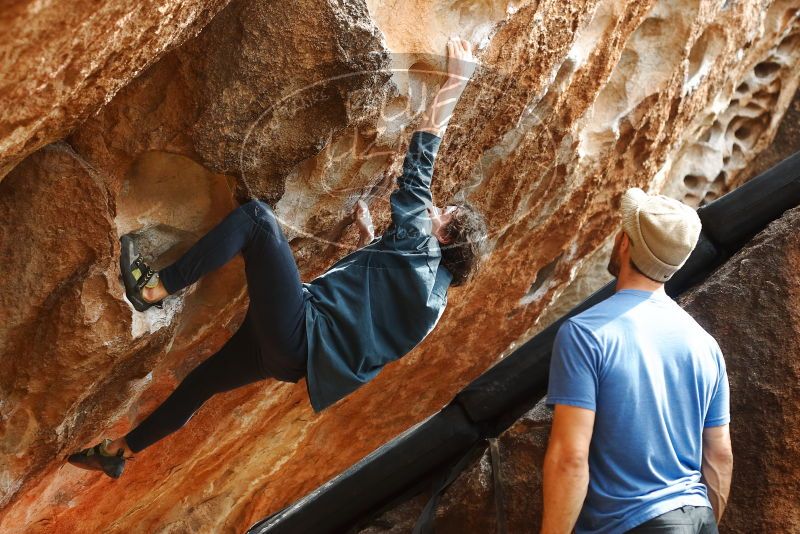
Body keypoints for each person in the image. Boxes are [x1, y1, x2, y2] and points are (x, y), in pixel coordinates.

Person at [68, 38, 488, 479]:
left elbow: (421, 164)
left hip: (299, 327)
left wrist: (455, 82)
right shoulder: (432, 302)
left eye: (443, 215)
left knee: (256, 220)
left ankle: (154, 287)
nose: (435, 210)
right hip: (292, 359)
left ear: (445, 238)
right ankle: (119, 452)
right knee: (202, 383)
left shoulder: (422, 251)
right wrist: (367, 236)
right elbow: (371, 316)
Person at [541, 188, 733, 533]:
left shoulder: (586, 334)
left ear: (625, 243)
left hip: (635, 523)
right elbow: (719, 455)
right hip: (699, 517)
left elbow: (570, 458)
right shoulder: (705, 345)